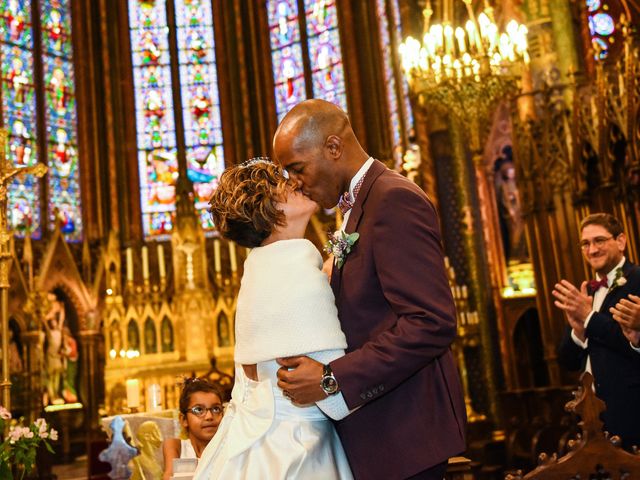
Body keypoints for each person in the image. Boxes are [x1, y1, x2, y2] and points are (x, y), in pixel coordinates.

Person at [273, 99, 466, 480]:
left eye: (297, 168)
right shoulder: (358, 205)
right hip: (383, 434)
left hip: (406, 433)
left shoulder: (392, 199)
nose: (295, 182)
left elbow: (431, 323)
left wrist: (332, 378)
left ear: (333, 147)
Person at [194, 159, 353, 479]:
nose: (297, 183)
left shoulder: (258, 274)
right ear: (272, 213)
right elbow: (339, 400)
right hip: (297, 456)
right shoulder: (296, 275)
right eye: (285, 184)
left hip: (252, 451)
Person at [554, 213, 640, 449]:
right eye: (585, 243)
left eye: (599, 240)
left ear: (621, 241)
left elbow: (629, 343)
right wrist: (577, 333)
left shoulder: (637, 280)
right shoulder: (587, 292)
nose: (591, 250)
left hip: (631, 412)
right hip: (593, 419)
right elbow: (566, 361)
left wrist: (589, 317)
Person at [163, 378, 224, 480]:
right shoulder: (176, 446)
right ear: (184, 419)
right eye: (199, 410)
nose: (209, 416)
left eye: (216, 409)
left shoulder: (228, 447)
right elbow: (169, 476)